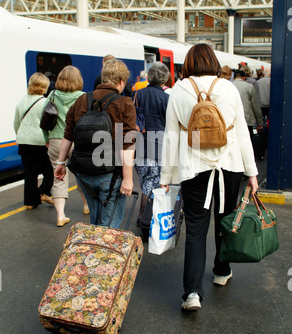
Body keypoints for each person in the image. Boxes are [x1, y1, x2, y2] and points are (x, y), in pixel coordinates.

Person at [160, 44, 259, 311]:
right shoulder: (229, 88)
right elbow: (241, 133)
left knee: (195, 229)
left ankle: (192, 293)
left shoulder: (179, 90)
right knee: (225, 221)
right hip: (229, 166)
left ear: (189, 63)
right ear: (213, 61)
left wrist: (165, 175)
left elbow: (170, 136)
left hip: (193, 168)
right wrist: (252, 172)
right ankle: (221, 271)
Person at [54, 59, 137, 228]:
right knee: (109, 226)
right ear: (121, 82)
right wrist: (128, 179)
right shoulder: (124, 104)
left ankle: (93, 250)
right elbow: (127, 145)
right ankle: (102, 253)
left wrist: (60, 163)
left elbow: (68, 136)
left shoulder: (81, 100)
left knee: (96, 220)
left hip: (83, 172)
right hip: (110, 174)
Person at [43, 65, 89, 227]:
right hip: (78, 141)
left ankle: (61, 215)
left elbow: (44, 120)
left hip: (56, 140)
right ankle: (86, 206)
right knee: (82, 175)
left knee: (59, 177)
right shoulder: (83, 97)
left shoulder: (52, 95)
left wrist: (47, 139)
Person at [134, 62, 170, 225]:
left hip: (139, 147)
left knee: (146, 183)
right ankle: (145, 217)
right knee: (152, 185)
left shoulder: (137, 95)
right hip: (158, 149)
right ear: (165, 79)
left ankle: (146, 216)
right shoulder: (166, 98)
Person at [13, 73, 54, 210]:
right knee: (50, 170)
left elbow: (16, 122)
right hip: (40, 142)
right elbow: (48, 124)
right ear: (45, 86)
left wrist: (19, 136)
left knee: (30, 173)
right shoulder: (45, 102)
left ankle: (30, 202)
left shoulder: (21, 100)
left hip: (24, 141)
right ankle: (42, 192)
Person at [232, 69, 263, 141]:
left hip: (232, 120)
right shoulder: (250, 87)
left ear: (233, 78)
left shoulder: (229, 86)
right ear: (244, 78)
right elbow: (255, 106)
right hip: (247, 120)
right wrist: (260, 122)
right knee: (247, 141)